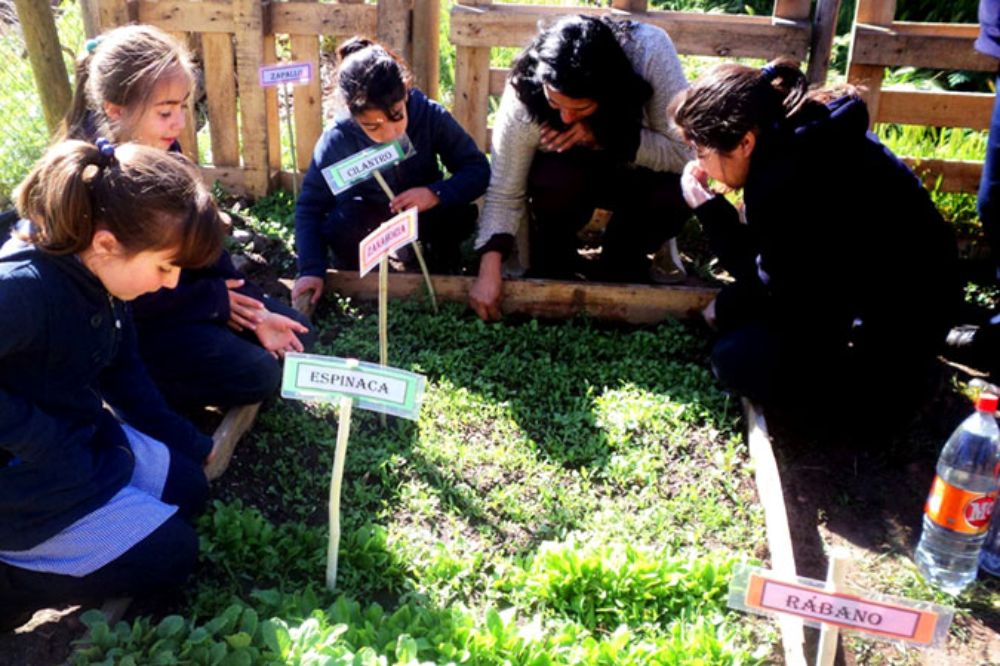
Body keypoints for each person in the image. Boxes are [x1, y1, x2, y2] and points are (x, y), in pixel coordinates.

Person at [0, 140, 225, 630]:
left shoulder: (98, 277)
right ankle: (12, 579)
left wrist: (185, 439)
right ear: (105, 244)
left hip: (78, 442)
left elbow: (124, 373)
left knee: (190, 488)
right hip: (23, 485)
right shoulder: (22, 289)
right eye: (165, 266)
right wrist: (39, 438)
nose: (171, 283)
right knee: (173, 554)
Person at [671, 59, 960, 424]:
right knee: (742, 326)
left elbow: (783, 287)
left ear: (745, 142)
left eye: (701, 152)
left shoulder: (782, 180)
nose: (698, 162)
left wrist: (710, 212)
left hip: (902, 315)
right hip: (893, 292)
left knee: (736, 361)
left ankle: (895, 392)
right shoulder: (805, 133)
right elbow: (791, 263)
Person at [63, 25, 313, 409]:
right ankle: (136, 395)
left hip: (186, 300)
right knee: (259, 373)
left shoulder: (165, 148)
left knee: (299, 334)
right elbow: (129, 296)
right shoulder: (97, 179)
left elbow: (203, 242)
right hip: (138, 327)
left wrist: (252, 309)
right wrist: (214, 302)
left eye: (183, 107)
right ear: (115, 110)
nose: (180, 122)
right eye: (166, 112)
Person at [468, 14, 692, 322]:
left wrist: (606, 136)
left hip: (637, 173)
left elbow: (685, 153)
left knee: (675, 193)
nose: (565, 118)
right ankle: (556, 256)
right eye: (555, 103)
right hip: (567, 181)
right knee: (553, 179)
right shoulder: (525, 95)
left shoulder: (650, 52)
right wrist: (489, 270)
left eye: (581, 108)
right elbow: (505, 191)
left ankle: (623, 257)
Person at [293, 36, 490, 305]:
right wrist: (310, 270)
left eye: (396, 116)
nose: (389, 134)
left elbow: (477, 169)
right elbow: (310, 208)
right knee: (340, 224)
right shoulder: (336, 141)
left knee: (457, 215)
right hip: (370, 218)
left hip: (423, 213)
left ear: (405, 90)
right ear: (351, 113)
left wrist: (435, 193)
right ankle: (362, 273)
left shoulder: (429, 116)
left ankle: (440, 259)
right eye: (372, 127)